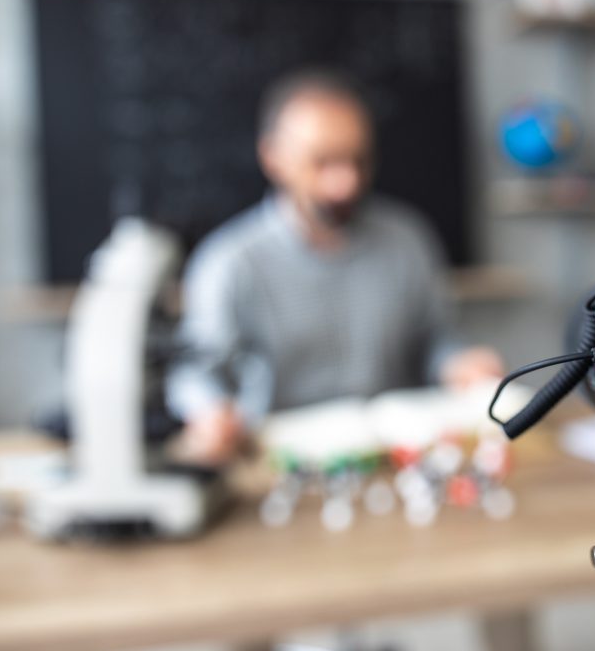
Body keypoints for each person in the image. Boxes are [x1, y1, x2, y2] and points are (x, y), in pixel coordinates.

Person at [167, 70, 503, 465]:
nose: (345, 183)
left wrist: (458, 363)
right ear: (273, 157)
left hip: (394, 461)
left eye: (358, 161)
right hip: (281, 467)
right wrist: (209, 410)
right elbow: (195, 372)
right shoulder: (228, 262)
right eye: (323, 162)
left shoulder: (407, 240)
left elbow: (435, 338)